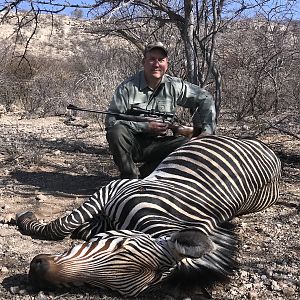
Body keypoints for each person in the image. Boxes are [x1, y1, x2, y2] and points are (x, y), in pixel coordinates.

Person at [105, 42, 216, 179]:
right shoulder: (127, 88)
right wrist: (145, 127)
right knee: (116, 132)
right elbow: (111, 122)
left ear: (166, 64)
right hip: (134, 144)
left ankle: (147, 174)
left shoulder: (175, 85)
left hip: (159, 145)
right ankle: (130, 177)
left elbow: (205, 97)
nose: (156, 64)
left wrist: (207, 131)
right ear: (144, 62)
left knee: (189, 144)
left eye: (161, 60)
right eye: (152, 59)